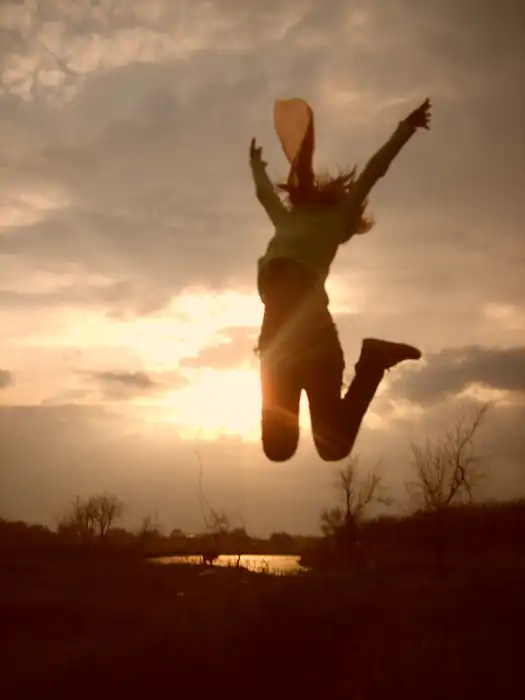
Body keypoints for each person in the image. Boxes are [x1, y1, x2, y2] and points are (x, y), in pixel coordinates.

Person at [250, 97, 432, 462]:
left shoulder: (336, 220)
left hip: (312, 340)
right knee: (277, 449)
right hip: (278, 343)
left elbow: (373, 171)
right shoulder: (287, 219)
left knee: (333, 449)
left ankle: (375, 359)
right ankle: (375, 358)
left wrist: (405, 129)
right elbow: (264, 195)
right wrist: (256, 166)